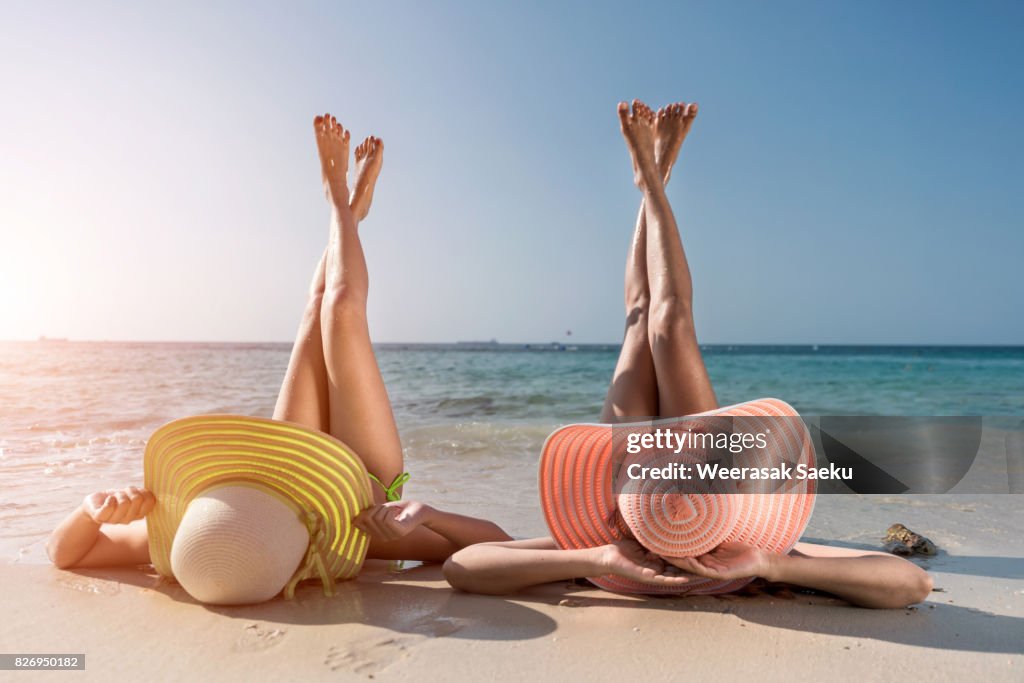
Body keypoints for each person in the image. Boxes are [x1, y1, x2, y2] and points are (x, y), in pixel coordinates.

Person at [441, 100, 933, 609]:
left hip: (627, 485)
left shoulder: (609, 540)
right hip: (701, 464)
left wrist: (595, 561)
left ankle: (652, 177)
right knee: (671, 320)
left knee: (641, 320)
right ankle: (654, 179)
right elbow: (912, 584)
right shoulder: (739, 549)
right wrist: (768, 563)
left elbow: (466, 566)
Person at [47, 113, 511, 579]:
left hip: (281, 471)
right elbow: (503, 544)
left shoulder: (204, 534)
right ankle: (342, 205)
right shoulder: (350, 533)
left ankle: (348, 212)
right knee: (342, 308)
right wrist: (428, 515)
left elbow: (64, 554)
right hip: (357, 485)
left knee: (315, 309)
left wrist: (92, 511)